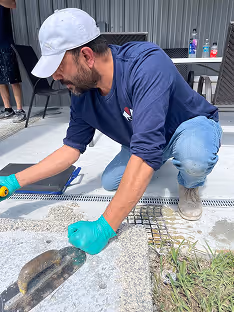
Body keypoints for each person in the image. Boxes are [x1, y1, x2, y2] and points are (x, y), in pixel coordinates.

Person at [0, 9, 222, 255]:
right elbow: (70, 150)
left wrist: (105, 227)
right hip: (144, 138)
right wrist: (12, 182)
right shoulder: (81, 92)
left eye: (59, 66)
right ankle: (155, 158)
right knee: (110, 182)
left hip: (187, 125)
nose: (55, 76)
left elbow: (146, 150)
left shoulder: (146, 65)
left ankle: (190, 184)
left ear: (86, 55)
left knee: (193, 158)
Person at [0, 0, 26, 122]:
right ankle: (8, 109)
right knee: (0, 80)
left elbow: (13, 4)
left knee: (13, 78)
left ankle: (20, 110)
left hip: (5, 43)